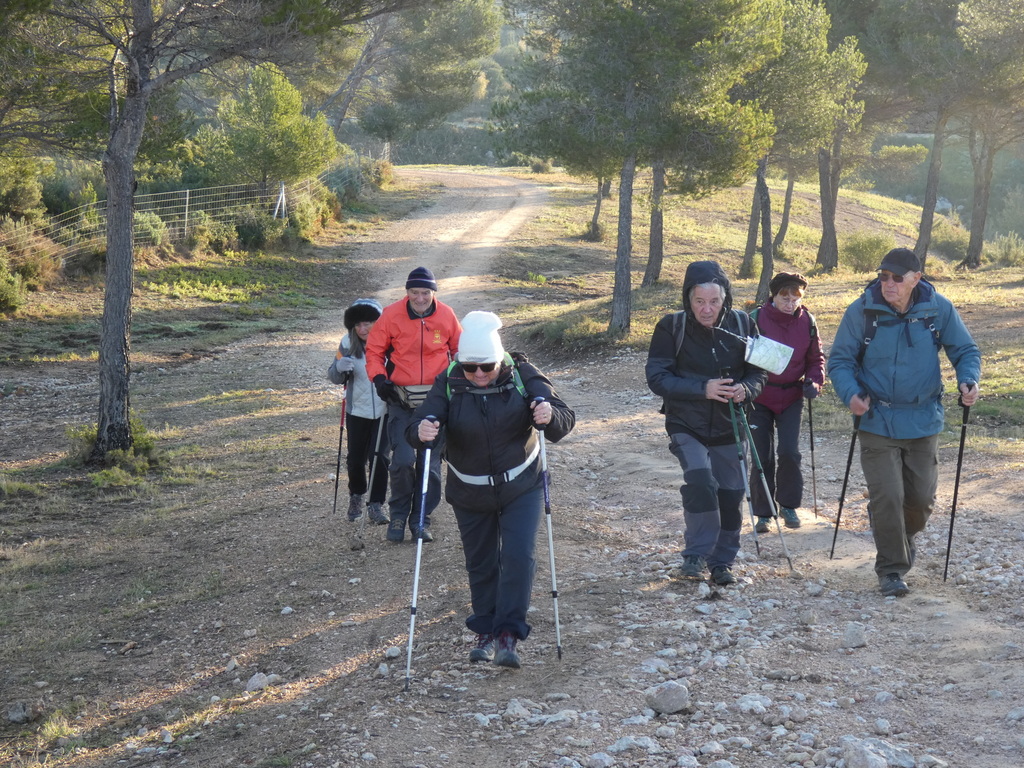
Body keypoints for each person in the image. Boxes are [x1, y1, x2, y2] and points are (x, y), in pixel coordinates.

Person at [409, 311, 575, 668]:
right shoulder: (450, 381)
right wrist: (421, 429)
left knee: (518, 556)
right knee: (481, 563)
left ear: (500, 360)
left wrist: (549, 415)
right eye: (470, 367)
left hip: (522, 484)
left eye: (487, 366)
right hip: (470, 490)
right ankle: (484, 628)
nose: (479, 375)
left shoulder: (523, 376)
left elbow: (564, 419)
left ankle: (508, 634)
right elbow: (422, 421)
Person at [827, 247, 980, 597]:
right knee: (887, 497)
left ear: (916, 279)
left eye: (897, 277)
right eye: (884, 276)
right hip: (876, 419)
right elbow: (840, 361)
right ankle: (892, 570)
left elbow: (965, 350)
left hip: (924, 419)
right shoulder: (862, 310)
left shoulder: (937, 309)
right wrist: (850, 394)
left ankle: (901, 535)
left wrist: (968, 379)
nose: (889, 284)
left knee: (921, 501)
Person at [645, 261, 768, 585]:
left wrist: (747, 388)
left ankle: (721, 562)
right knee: (700, 483)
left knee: (731, 494)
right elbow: (657, 377)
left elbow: (761, 371)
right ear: (688, 298)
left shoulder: (744, 323)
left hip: (732, 424)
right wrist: (703, 389)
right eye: (699, 301)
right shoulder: (671, 327)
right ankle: (695, 554)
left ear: (725, 298)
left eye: (714, 301)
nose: (707, 309)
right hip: (687, 423)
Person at [365, 267, 461, 543]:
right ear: (406, 292)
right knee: (403, 461)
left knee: (429, 464)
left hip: (436, 401)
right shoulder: (391, 315)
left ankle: (421, 519)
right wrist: (379, 378)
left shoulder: (446, 315)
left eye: (425, 293)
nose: (420, 298)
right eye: (414, 292)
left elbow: (458, 350)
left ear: (434, 292)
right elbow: (374, 351)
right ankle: (397, 514)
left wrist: (459, 379)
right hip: (400, 399)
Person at [748, 273, 826, 533]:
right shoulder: (757, 319)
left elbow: (816, 359)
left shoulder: (808, 322)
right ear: (774, 296)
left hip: (792, 396)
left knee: (790, 453)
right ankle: (763, 513)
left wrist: (815, 381)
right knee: (762, 456)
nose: (790, 302)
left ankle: (789, 506)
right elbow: (742, 357)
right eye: (785, 297)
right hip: (759, 397)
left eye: (795, 298)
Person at [327, 298, 390, 525]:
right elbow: (333, 376)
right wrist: (339, 367)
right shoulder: (347, 343)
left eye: (368, 323)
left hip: (385, 411)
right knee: (355, 460)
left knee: (380, 457)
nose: (363, 329)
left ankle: (376, 504)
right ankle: (356, 495)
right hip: (357, 411)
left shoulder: (390, 344)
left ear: (378, 322)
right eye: (358, 325)